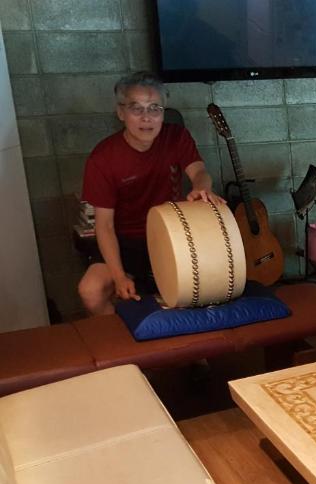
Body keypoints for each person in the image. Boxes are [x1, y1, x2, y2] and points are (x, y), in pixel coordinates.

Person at [77, 72, 223, 316]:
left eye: (155, 108)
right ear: (121, 113)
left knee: (200, 287)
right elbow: (104, 226)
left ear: (163, 112)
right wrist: (119, 276)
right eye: (137, 108)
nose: (147, 117)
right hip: (126, 242)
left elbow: (200, 172)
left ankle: (195, 349)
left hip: (173, 234)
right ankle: (124, 346)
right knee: (90, 289)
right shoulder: (103, 158)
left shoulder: (176, 137)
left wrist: (202, 187)